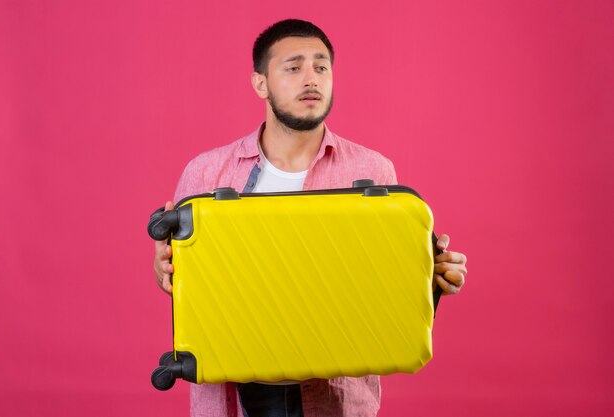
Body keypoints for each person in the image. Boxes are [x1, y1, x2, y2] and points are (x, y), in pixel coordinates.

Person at [153, 19, 467, 417]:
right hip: (235, 388)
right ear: (260, 84)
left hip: (334, 394)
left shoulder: (373, 170)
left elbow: (381, 282)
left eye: (321, 67)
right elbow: (184, 286)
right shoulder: (205, 173)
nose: (311, 79)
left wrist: (432, 276)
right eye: (293, 66)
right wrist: (162, 267)